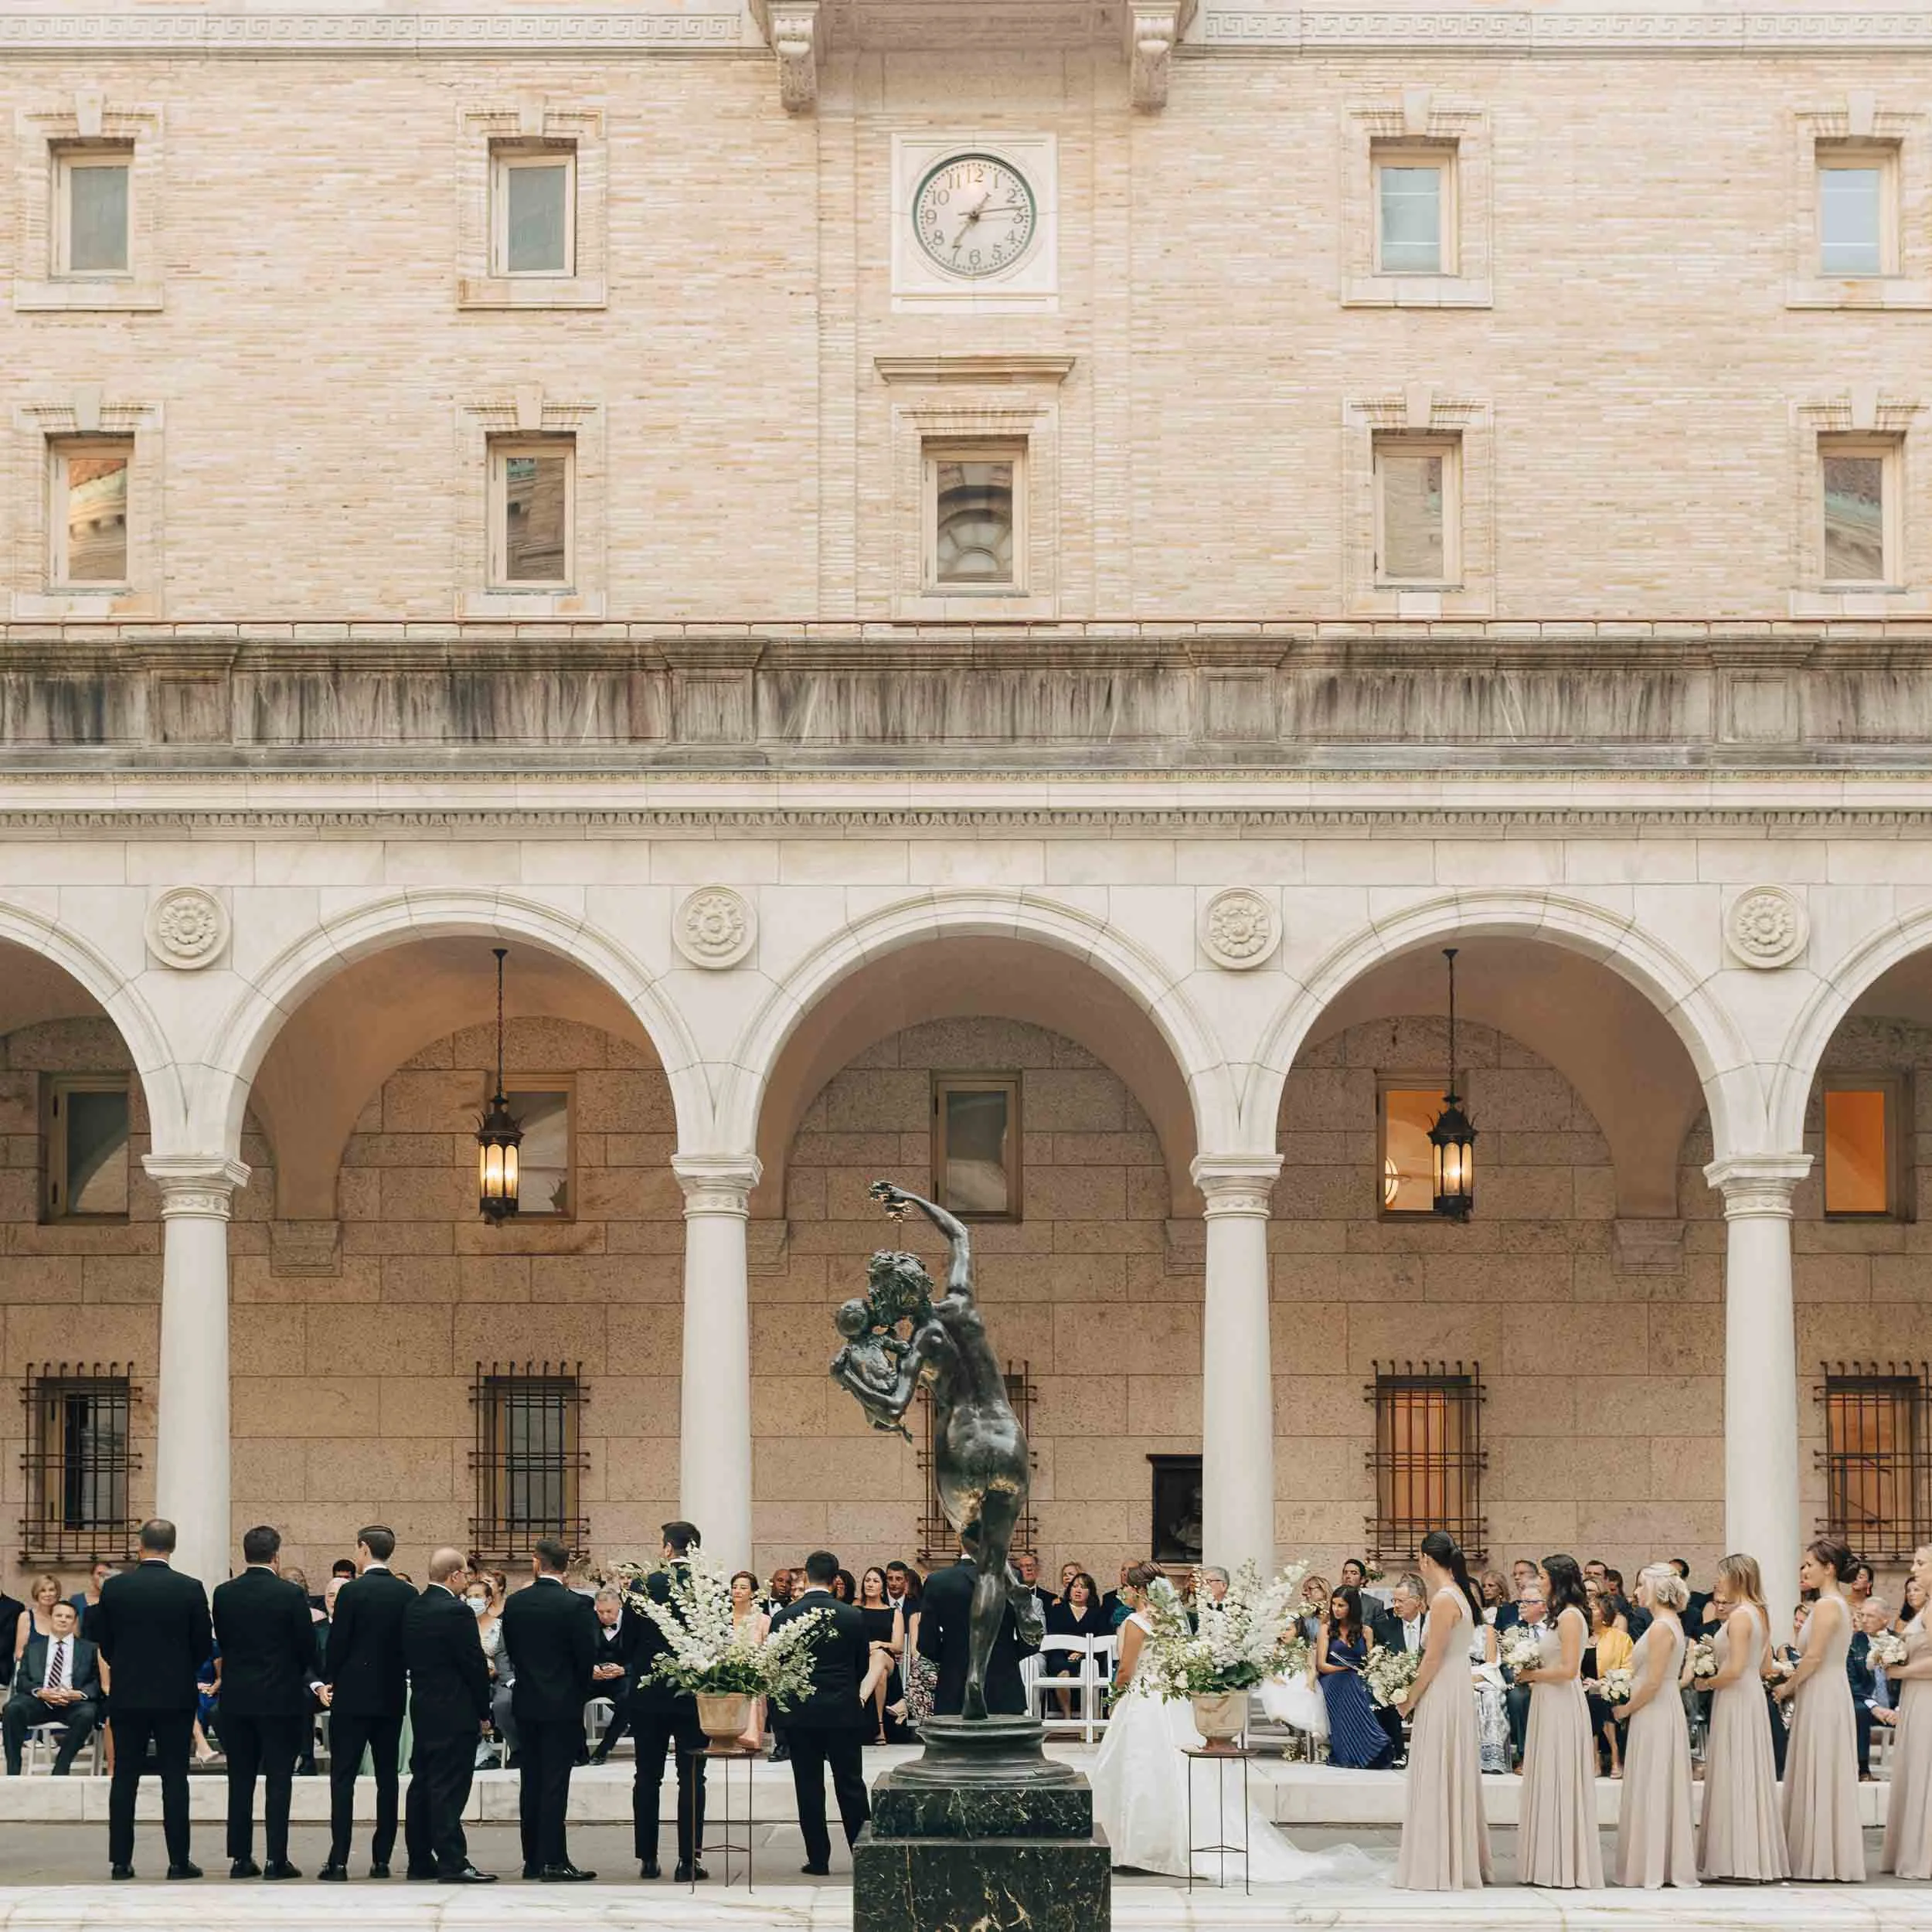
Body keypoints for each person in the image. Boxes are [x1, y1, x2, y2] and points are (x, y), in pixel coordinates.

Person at [1091, 1563, 1369, 1882]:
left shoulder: (1135, 1622)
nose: (1124, 1592)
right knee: (1177, 1774)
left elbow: (1125, 1671)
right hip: (1172, 1700)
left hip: (1143, 1701)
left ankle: (1140, 1847)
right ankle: (1162, 1844)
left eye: (1128, 1587)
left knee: (1141, 1770)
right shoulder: (1172, 1622)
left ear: (1140, 1590)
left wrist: (1114, 1700)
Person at [97, 1519, 211, 1880]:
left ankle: (120, 1861)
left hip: (128, 1693)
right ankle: (179, 1861)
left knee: (124, 1777)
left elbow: (106, 1642)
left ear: (140, 1545)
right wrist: (180, 1669)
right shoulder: (190, 1588)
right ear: (172, 1547)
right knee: (175, 1777)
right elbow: (202, 1646)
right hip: (175, 1695)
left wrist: (126, 1668)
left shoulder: (116, 1588)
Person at [211, 1523, 318, 1880]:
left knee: (239, 1779)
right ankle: (276, 1858)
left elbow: (224, 1641)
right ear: (276, 1555)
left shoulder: (224, 1593)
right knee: (278, 1779)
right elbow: (307, 1646)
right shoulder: (289, 1595)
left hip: (237, 1698)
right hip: (280, 1697)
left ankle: (240, 1857)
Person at [1394, 1530, 1491, 1890]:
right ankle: (1452, 1855)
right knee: (1449, 1767)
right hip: (1455, 1683)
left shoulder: (1445, 1599)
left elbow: (1432, 1657)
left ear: (1426, 1560)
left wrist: (1409, 1699)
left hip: (1444, 1687)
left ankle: (1438, 1861)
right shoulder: (1460, 1594)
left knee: (1438, 1766)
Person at [318, 1524, 414, 1881]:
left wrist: (330, 1678)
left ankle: (339, 1859)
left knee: (342, 1778)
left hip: (353, 1696)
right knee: (387, 1779)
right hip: (389, 1694)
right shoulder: (406, 1593)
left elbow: (339, 1643)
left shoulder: (352, 1593)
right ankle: (381, 1858)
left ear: (363, 1549)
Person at [500, 1537, 598, 1882]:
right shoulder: (576, 1606)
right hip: (562, 1705)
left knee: (532, 1781)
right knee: (555, 1783)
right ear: (566, 1566)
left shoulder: (516, 1603)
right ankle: (554, 1860)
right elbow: (588, 1656)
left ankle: (532, 1859)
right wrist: (577, 1692)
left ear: (536, 1563)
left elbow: (510, 1649)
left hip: (527, 1702)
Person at [771, 1549, 872, 1876]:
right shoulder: (851, 1616)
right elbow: (861, 1666)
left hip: (802, 1713)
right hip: (842, 1709)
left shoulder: (785, 1616)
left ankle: (819, 1859)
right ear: (835, 1579)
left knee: (809, 1785)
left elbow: (776, 1668)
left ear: (806, 1577)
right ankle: (864, 1855)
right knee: (851, 1784)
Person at [400, 1548, 495, 1884]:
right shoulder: (456, 1612)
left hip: (424, 1707)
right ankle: (453, 1861)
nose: (467, 1581)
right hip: (455, 1709)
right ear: (454, 1575)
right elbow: (473, 1666)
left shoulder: (413, 1607)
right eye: (466, 1576)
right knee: (450, 1787)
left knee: (423, 1782)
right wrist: (484, 1712)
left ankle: (419, 1858)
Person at [1774, 1536, 1864, 1882]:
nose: (1804, 1570)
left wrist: (1786, 1687)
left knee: (1821, 1765)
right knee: (1818, 1765)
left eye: (1810, 1564)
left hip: (1824, 1689)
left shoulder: (1828, 1606)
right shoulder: (1829, 1604)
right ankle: (1816, 1852)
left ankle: (1822, 1856)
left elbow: (1813, 1657)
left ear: (1829, 1568)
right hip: (1822, 1688)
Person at [1697, 1552, 1787, 1883]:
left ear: (1735, 1578)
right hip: (1751, 1696)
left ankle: (1737, 1859)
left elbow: (1733, 1669)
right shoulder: (1760, 1614)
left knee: (1735, 1771)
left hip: (1735, 1697)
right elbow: (1764, 1667)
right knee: (1749, 1772)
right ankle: (1752, 1855)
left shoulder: (1738, 1618)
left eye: (1722, 1576)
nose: (1718, 1582)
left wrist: (1706, 1681)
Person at [1514, 1553, 1602, 1889]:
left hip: (1562, 1702)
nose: (1539, 1581)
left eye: (1544, 1576)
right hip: (1547, 1700)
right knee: (1547, 1776)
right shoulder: (1558, 1617)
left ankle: (1563, 1862)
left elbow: (1569, 1670)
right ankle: (1546, 1859)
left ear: (1557, 1580)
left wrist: (1530, 1673)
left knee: (1560, 1776)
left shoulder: (1570, 1617)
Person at [628, 1521, 709, 1883]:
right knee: (692, 1778)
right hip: (692, 1695)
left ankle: (647, 1857)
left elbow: (628, 1639)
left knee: (647, 1776)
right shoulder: (709, 1588)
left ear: (667, 1549)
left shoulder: (643, 1585)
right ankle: (688, 1861)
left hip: (649, 1694)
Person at [1615, 1563, 1696, 1889]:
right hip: (1656, 1708)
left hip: (1656, 1709)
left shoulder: (1663, 1627)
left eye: (1640, 1586)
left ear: (1655, 1589)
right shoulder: (1663, 1624)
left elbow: (1652, 1682)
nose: (1635, 1592)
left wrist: (1625, 1709)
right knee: (1654, 1781)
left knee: (1656, 1780)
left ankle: (1654, 1865)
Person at [917, 1544, 1036, 1716]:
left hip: (955, 1683)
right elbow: (1031, 1638)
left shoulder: (938, 1581)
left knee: (956, 1742)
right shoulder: (1013, 1577)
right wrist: (1006, 1655)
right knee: (1005, 1742)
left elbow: (926, 1643)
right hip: (1003, 1684)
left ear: (960, 1540)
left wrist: (952, 1657)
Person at [2, 1598, 100, 1774]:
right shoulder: (33, 1648)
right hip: (39, 1700)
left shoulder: (90, 1649)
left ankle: (61, 1767)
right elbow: (22, 1679)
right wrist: (40, 1692)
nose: (63, 1620)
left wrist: (80, 1694)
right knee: (12, 1709)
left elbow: (98, 1680)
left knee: (88, 1713)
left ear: (75, 1621)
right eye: (59, 1616)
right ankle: (13, 1771)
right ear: (51, 1619)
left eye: (68, 1617)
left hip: (73, 1702)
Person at [1883, 1543, 1932, 1879]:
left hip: (1926, 1695)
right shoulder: (1925, 1609)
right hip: (1916, 1696)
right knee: (1916, 1766)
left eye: (1920, 1563)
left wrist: (1900, 1671)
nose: (1913, 1569)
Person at [1316, 1585, 1393, 1769]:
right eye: (1334, 1605)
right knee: (1348, 1683)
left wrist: (1362, 1670)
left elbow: (1370, 1663)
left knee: (1357, 1686)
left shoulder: (1366, 1631)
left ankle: (1372, 1745)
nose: (1336, 1609)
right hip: (1332, 1677)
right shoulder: (1326, 1629)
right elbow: (1321, 1665)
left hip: (1358, 1678)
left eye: (1341, 1605)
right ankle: (1363, 1748)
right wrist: (1344, 1668)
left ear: (1352, 1607)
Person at [1043, 1572, 1108, 1719]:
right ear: (1069, 1589)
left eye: (1083, 1587)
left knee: (1090, 1668)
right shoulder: (1058, 1610)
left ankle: (1090, 1716)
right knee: (1063, 1672)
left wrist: (1082, 1652)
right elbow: (1052, 1635)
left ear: (1090, 1592)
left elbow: (1102, 1636)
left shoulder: (1098, 1613)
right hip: (1061, 1654)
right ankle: (1067, 1715)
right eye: (1075, 1586)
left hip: (1089, 1656)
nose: (1078, 1590)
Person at [1588, 1585, 1633, 1776]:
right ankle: (1594, 1759)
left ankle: (1615, 1756)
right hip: (1583, 1689)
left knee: (1602, 1699)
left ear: (1605, 1612)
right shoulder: (1580, 1636)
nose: (1589, 1611)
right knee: (1588, 1699)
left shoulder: (1620, 1638)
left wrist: (1603, 1683)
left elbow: (1629, 1668)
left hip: (1611, 1688)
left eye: (1593, 1607)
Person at [587, 1585, 634, 1764]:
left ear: (619, 1605)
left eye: (609, 1611)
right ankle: (579, 1751)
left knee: (628, 1698)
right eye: (600, 1612)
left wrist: (624, 1669)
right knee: (570, 1696)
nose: (605, 1617)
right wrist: (590, 1668)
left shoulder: (632, 1622)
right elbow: (579, 1650)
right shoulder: (588, 1621)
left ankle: (604, 1748)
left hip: (622, 1677)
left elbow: (642, 1654)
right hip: (595, 1677)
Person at [855, 1567, 901, 1743]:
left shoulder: (893, 1612)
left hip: (888, 1660)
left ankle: (860, 1700)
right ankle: (880, 1727)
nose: (870, 1584)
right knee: (879, 1671)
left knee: (880, 1656)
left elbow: (898, 1646)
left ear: (883, 1587)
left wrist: (879, 1644)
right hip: (864, 1662)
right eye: (867, 1580)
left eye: (875, 1581)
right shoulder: (856, 1610)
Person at [13, 1576, 60, 1665]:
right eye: (43, 1591)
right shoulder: (26, 1617)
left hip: (59, 1672)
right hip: (32, 1672)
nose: (48, 1594)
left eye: (51, 1590)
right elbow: (19, 1653)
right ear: (36, 1593)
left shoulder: (63, 1616)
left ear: (57, 1593)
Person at [68, 1559, 115, 1643]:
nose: (103, 1578)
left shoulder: (115, 1600)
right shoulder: (77, 1600)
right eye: (99, 1574)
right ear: (92, 1576)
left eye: (106, 1575)